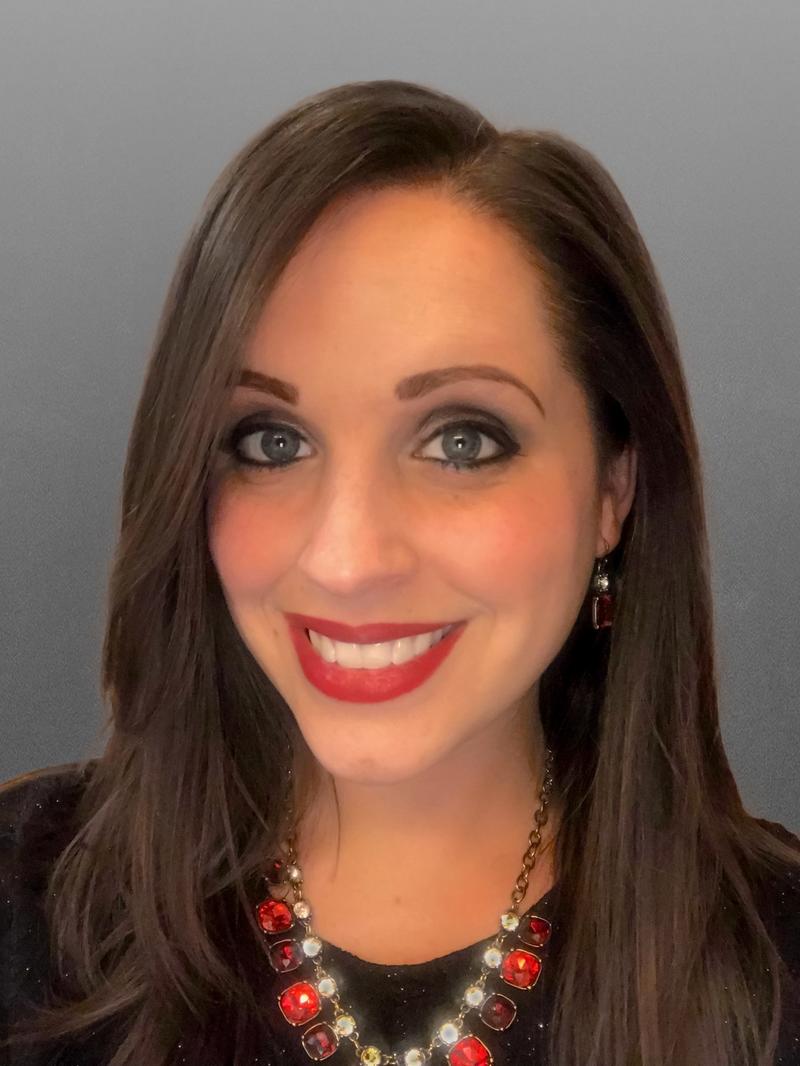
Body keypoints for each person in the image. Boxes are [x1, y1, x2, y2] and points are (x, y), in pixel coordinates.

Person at [1, 78, 798, 1066]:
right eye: (268, 440)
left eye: (461, 440)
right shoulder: (23, 907)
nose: (346, 559)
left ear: (613, 488)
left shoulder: (778, 969)